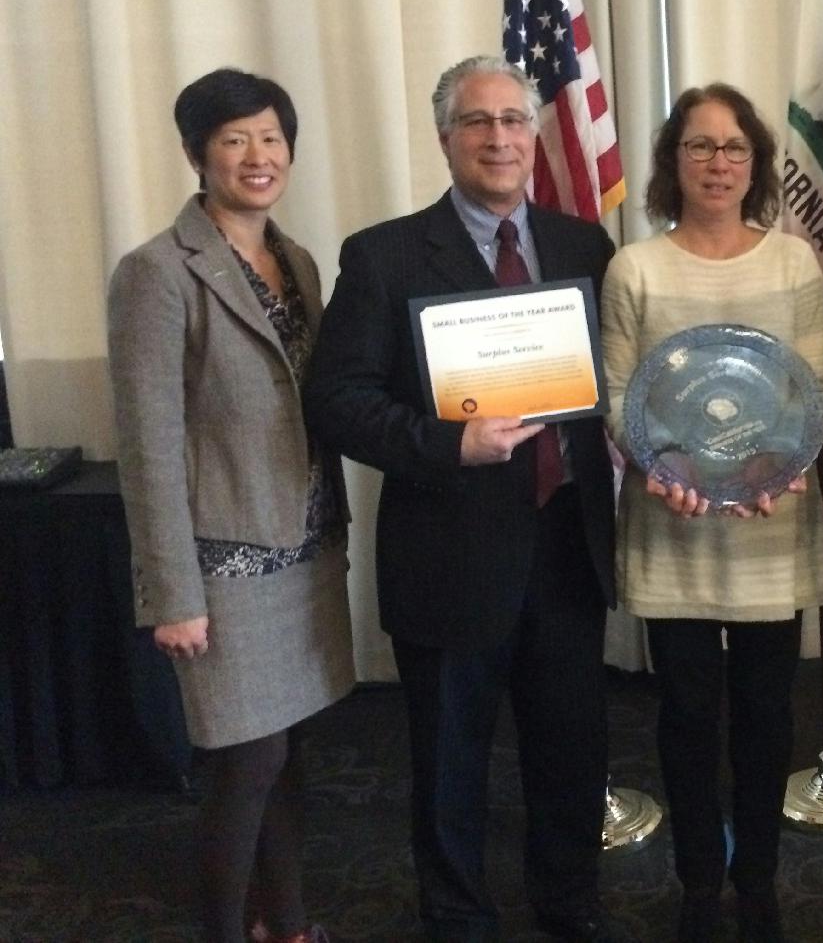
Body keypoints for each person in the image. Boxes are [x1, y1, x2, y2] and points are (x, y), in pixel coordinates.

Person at [302, 56, 629, 943]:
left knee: (571, 752)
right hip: (447, 556)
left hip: (566, 546)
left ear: (535, 134)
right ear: (445, 138)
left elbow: (614, 383)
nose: (498, 137)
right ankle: (458, 919)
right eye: (477, 122)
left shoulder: (583, 246)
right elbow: (336, 400)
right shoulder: (383, 254)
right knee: (451, 761)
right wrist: (451, 442)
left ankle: (569, 907)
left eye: (514, 120)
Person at [107, 68, 354, 943]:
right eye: (234, 139)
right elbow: (148, 442)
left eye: (272, 137)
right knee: (247, 763)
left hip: (306, 546)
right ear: (196, 154)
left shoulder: (298, 261)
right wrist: (170, 590)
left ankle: (284, 925)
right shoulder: (155, 272)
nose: (258, 156)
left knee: (288, 757)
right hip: (223, 566)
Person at [598, 83, 823, 943]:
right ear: (673, 162)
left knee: (770, 716)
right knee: (688, 716)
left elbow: (813, 386)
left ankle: (759, 876)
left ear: (756, 163)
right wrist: (669, 473)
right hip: (673, 524)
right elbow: (621, 394)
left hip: (774, 520)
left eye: (734, 147)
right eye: (699, 146)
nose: (718, 162)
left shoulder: (793, 263)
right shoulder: (636, 267)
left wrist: (774, 470)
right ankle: (700, 881)